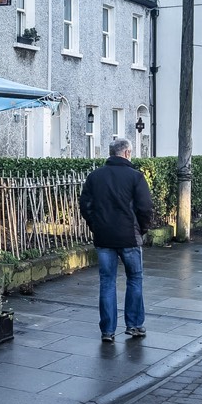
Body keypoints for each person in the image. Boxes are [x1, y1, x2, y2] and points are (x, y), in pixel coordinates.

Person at [79, 137, 154, 343]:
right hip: (129, 237)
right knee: (135, 279)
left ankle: (108, 330)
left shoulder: (95, 176)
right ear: (127, 153)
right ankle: (134, 325)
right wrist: (142, 229)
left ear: (111, 153)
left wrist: (95, 225)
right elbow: (145, 208)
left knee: (107, 282)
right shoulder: (135, 177)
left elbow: (85, 205)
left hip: (104, 237)